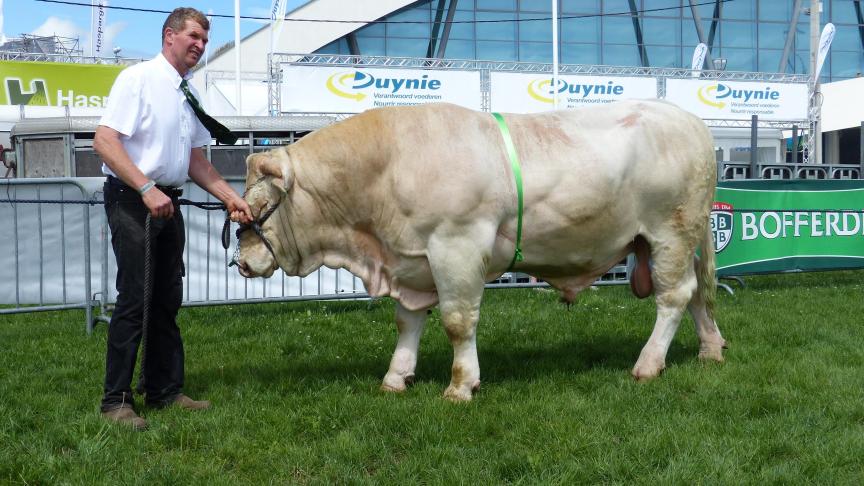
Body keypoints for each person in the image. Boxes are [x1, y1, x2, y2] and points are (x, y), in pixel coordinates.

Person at [93, 7, 253, 430]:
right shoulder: (139, 79)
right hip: (133, 200)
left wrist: (230, 198)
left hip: (167, 202)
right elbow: (105, 141)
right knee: (134, 298)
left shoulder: (186, 90)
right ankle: (116, 402)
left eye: (203, 38)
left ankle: (164, 390)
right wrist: (146, 188)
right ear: (169, 37)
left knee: (166, 300)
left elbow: (194, 160)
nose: (200, 45)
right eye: (194, 36)